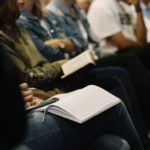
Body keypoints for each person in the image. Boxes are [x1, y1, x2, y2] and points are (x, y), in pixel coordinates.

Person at [1, 0, 149, 147]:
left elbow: (78, 43)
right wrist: (59, 62)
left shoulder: (18, 26)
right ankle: (144, 140)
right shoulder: (21, 26)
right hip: (39, 97)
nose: (20, 2)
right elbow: (34, 71)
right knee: (113, 103)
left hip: (42, 91)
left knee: (113, 144)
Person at [0, 43, 133, 150]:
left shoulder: (19, 27)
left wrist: (19, 100)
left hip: (19, 120)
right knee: (113, 107)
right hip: (14, 132)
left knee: (114, 144)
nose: (20, 7)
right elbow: (13, 129)